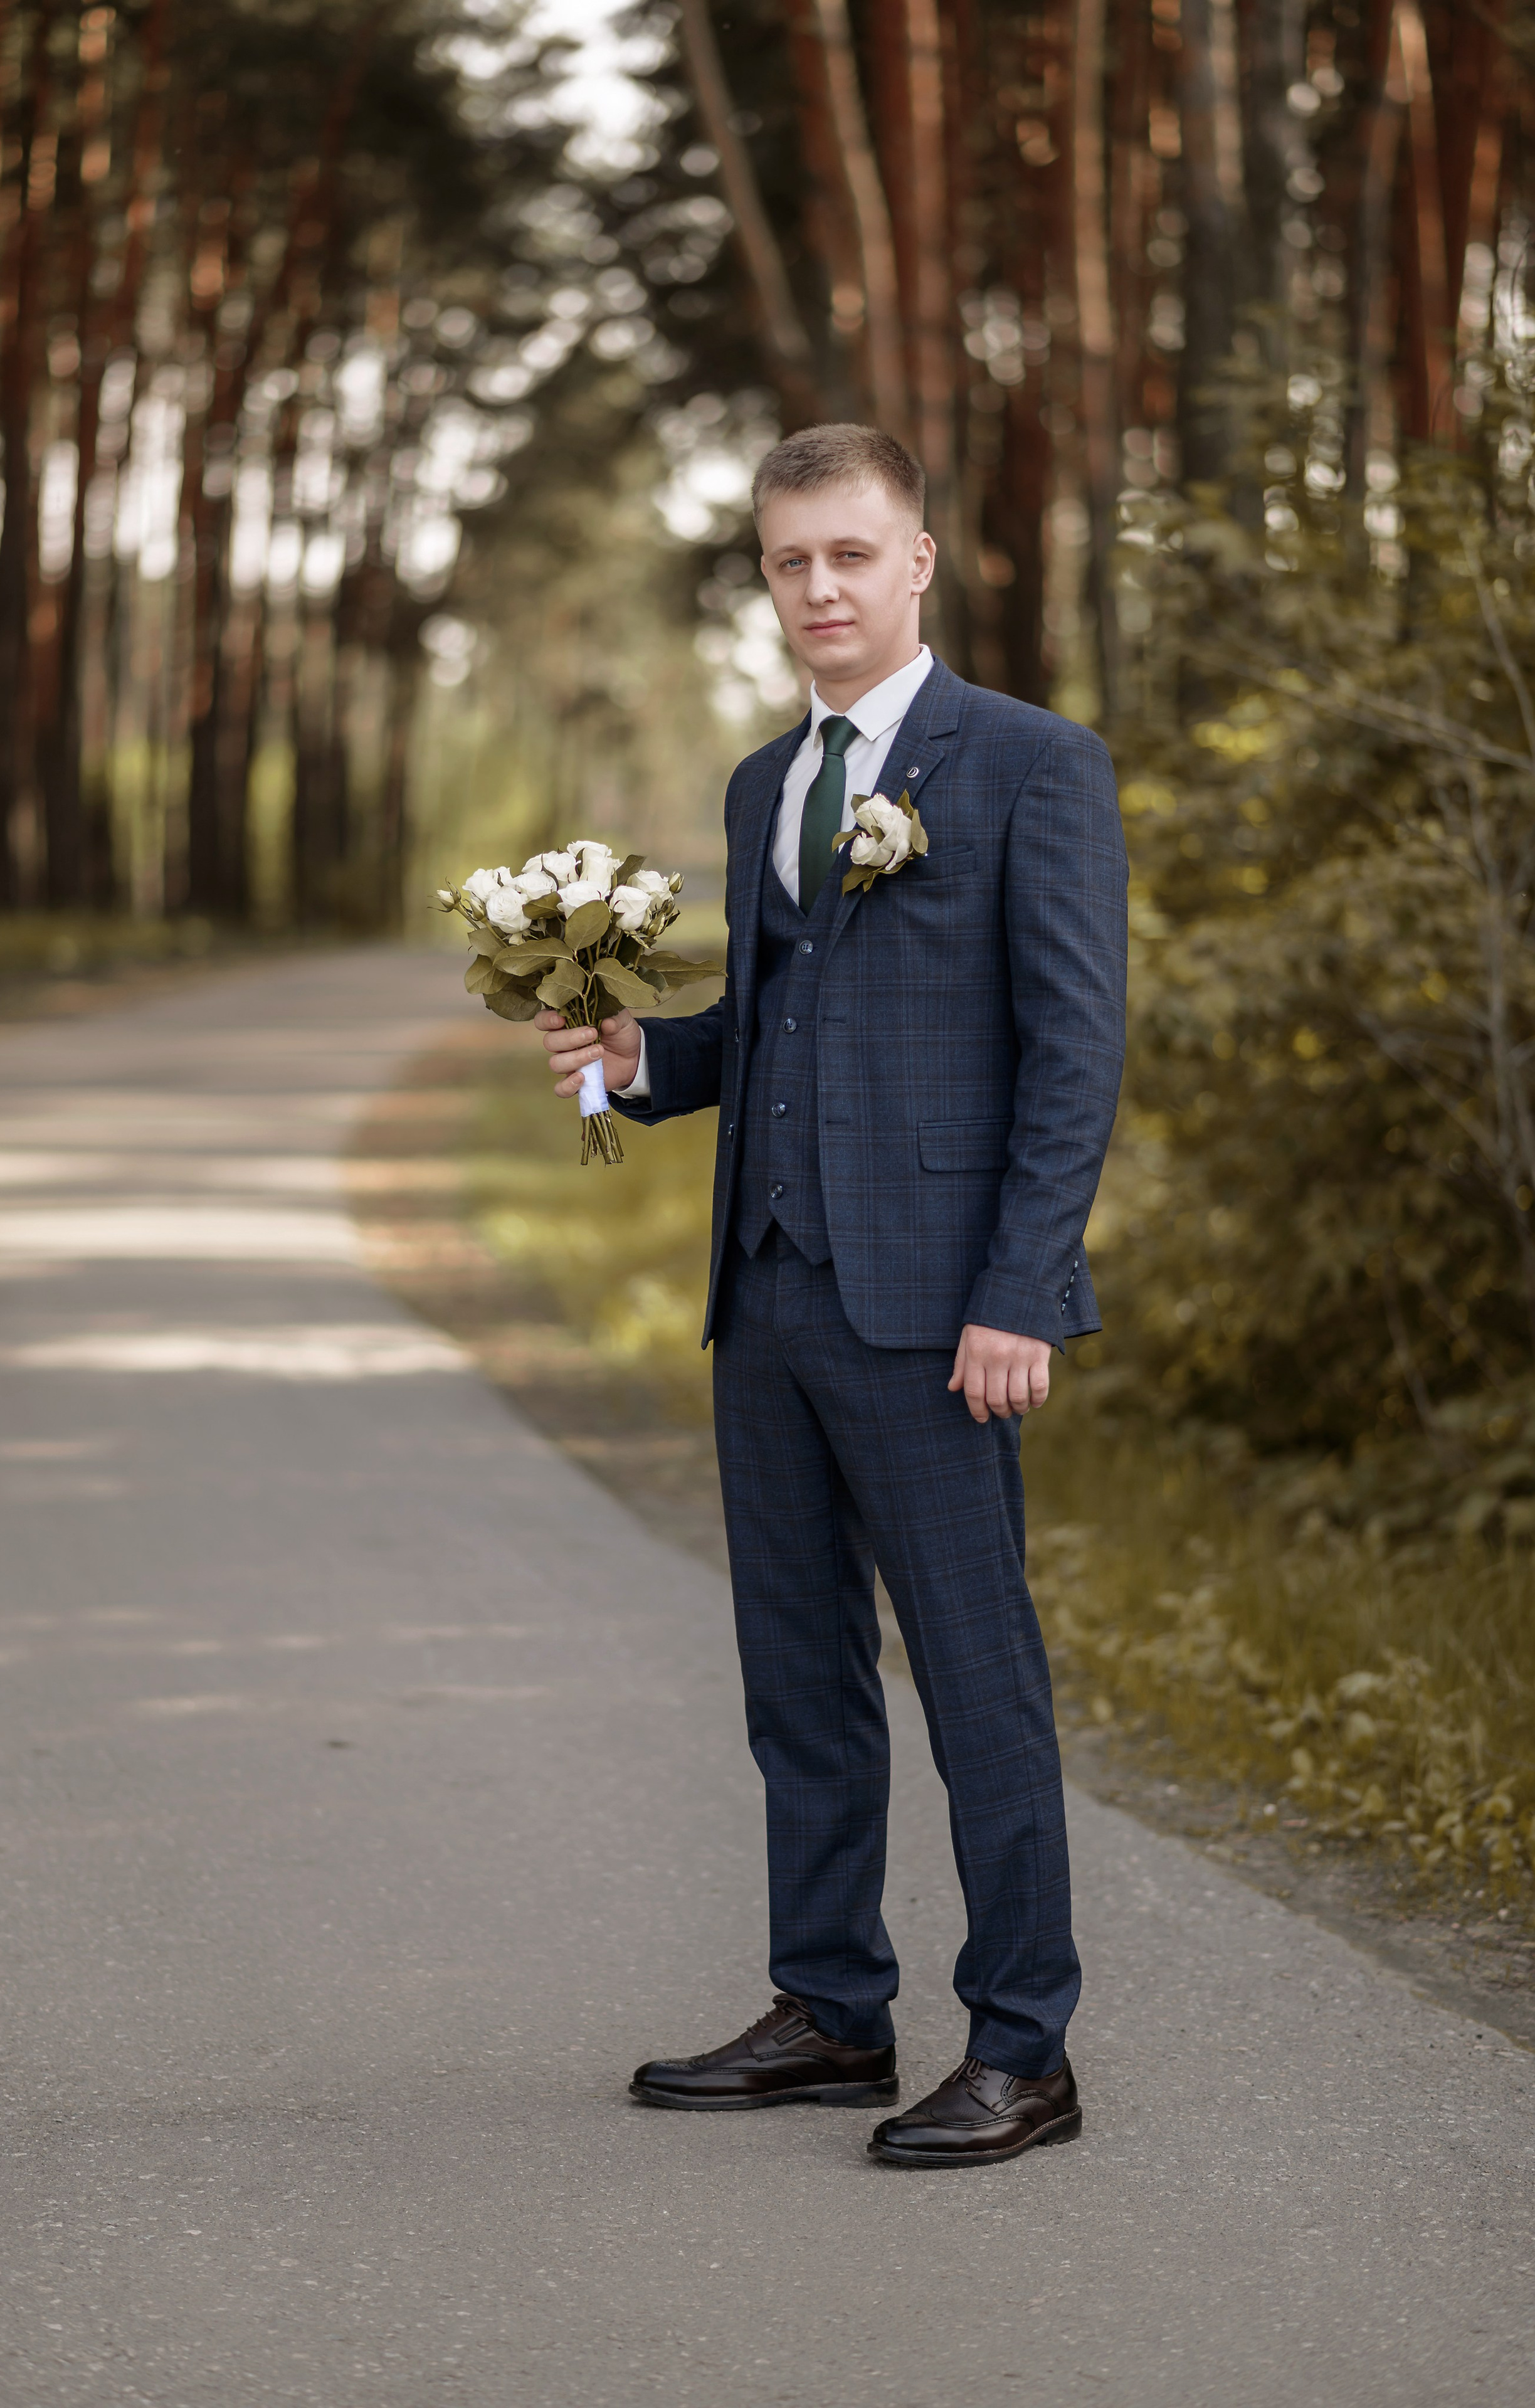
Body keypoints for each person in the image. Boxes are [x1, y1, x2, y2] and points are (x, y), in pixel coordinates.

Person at [535, 423, 1126, 2170]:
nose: (822, 589)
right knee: (799, 1681)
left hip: (944, 1312)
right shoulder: (763, 788)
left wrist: (1021, 1291)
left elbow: (1074, 1049)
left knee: (977, 1681)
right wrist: (646, 1059)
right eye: (793, 561)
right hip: (770, 1300)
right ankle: (830, 2011)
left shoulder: (1030, 765)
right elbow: (781, 1030)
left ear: (919, 561)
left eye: (853, 554)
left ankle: (1027, 2047)